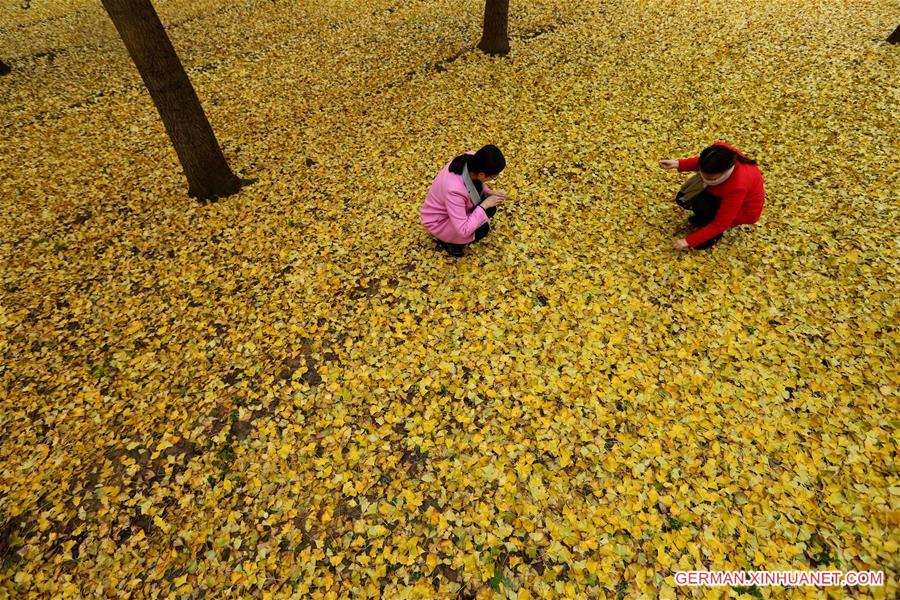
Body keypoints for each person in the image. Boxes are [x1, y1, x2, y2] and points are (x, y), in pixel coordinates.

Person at [659, 141, 765, 250]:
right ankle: (704, 218)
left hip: (742, 210)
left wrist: (688, 241)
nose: (704, 178)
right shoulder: (721, 152)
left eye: (710, 178)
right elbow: (702, 163)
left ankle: (712, 235)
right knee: (689, 198)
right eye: (702, 174)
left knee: (703, 206)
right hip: (721, 191)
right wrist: (677, 164)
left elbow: (722, 222)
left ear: (724, 171)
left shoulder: (738, 186)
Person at [420, 145, 508, 257]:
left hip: (451, 210)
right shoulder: (454, 190)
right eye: (493, 177)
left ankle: (473, 220)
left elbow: (476, 183)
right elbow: (463, 230)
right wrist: (484, 205)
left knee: (490, 209)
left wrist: (488, 192)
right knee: (483, 229)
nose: (492, 179)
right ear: (482, 174)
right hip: (438, 222)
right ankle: (449, 242)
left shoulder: (471, 160)